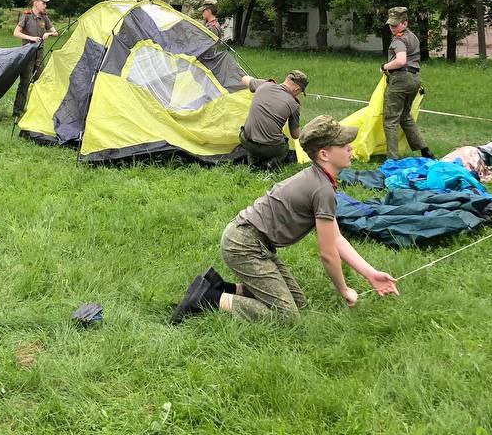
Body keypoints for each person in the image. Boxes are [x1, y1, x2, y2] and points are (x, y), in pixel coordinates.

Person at [171, 115, 399, 323]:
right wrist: (344, 289)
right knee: (286, 317)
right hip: (243, 244)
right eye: (343, 144)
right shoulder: (322, 189)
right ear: (324, 154)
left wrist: (371, 274)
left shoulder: (321, 181)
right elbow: (328, 253)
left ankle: (221, 287)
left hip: (253, 241)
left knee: (297, 303)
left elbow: (336, 239)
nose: (350, 147)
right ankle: (208, 298)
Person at [381, 6, 433, 160]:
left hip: (400, 79)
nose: (392, 28)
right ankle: (425, 150)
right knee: (404, 115)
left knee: (390, 119)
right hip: (415, 79)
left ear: (405, 23)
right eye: (390, 24)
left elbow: (401, 60)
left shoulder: (399, 40)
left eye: (395, 24)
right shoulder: (413, 37)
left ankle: (392, 159)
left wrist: (384, 66)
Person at [236, 69, 308, 168]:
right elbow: (295, 135)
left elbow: (244, 78)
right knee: (284, 146)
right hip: (270, 148)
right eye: (300, 92)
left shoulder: (264, 85)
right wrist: (305, 131)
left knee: (253, 135)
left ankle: (253, 162)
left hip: (246, 141)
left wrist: (258, 82)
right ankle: (271, 164)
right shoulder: (294, 104)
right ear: (297, 89)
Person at [12, 0, 57, 118]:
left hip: (40, 54)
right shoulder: (26, 16)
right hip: (28, 53)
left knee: (40, 82)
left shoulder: (44, 17)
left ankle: (37, 110)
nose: (45, 5)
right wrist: (31, 38)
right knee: (25, 82)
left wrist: (49, 33)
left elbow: (56, 32)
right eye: (43, 3)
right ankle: (18, 111)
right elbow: (16, 32)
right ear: (36, 3)